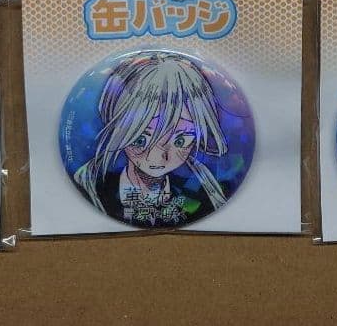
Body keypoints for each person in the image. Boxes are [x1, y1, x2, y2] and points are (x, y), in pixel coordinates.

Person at [73, 51, 229, 227]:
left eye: (180, 141)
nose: (157, 158)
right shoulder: (92, 183)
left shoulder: (204, 185)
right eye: (140, 140)